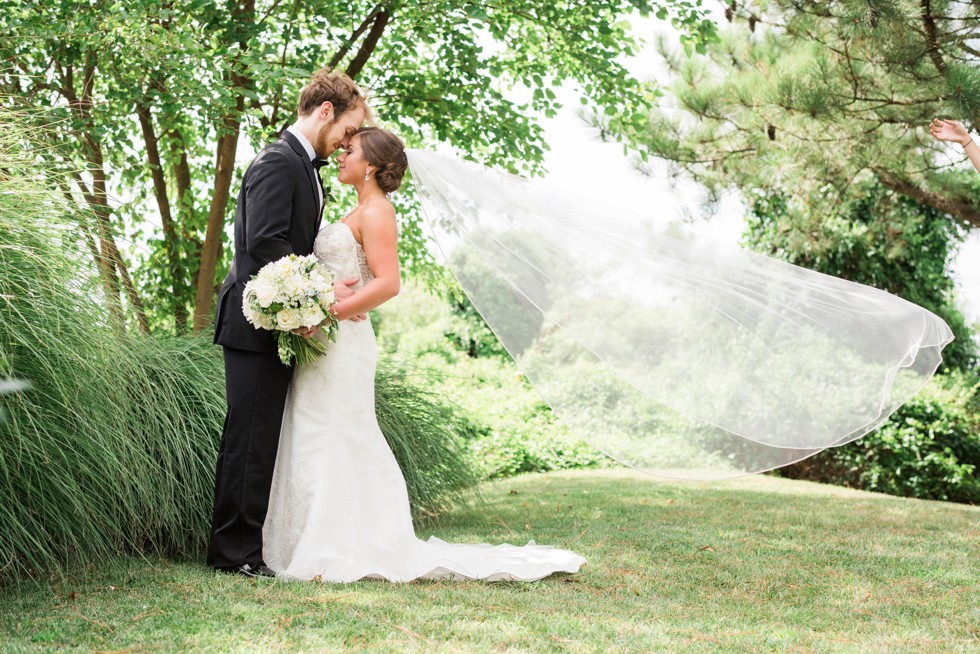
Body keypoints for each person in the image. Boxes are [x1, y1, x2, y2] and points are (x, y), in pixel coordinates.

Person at [262, 127, 587, 582]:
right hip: (324, 339)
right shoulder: (357, 208)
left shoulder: (377, 212)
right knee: (312, 426)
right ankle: (306, 540)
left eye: (349, 151)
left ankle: (341, 544)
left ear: (371, 166)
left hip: (341, 341)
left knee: (336, 429)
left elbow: (388, 283)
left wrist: (328, 311)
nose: (340, 154)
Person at [208, 69, 369, 578]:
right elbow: (266, 245)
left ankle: (244, 551)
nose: (347, 141)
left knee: (260, 440)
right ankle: (234, 556)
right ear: (326, 111)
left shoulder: (305, 165)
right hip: (255, 323)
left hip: (276, 320)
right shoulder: (280, 162)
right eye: (347, 129)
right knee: (249, 440)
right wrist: (322, 292)